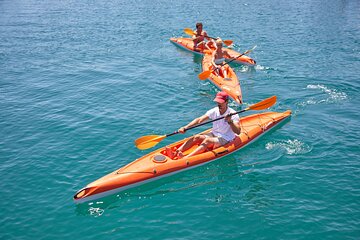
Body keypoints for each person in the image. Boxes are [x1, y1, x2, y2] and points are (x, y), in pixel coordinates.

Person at [166, 92, 241, 159]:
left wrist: (230, 121)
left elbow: (238, 131)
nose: (219, 104)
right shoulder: (214, 110)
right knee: (196, 137)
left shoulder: (233, 114)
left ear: (226, 102)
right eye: (217, 102)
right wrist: (185, 127)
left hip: (226, 137)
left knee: (207, 140)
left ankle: (186, 158)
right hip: (214, 134)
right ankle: (176, 152)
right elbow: (199, 120)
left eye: (221, 102)